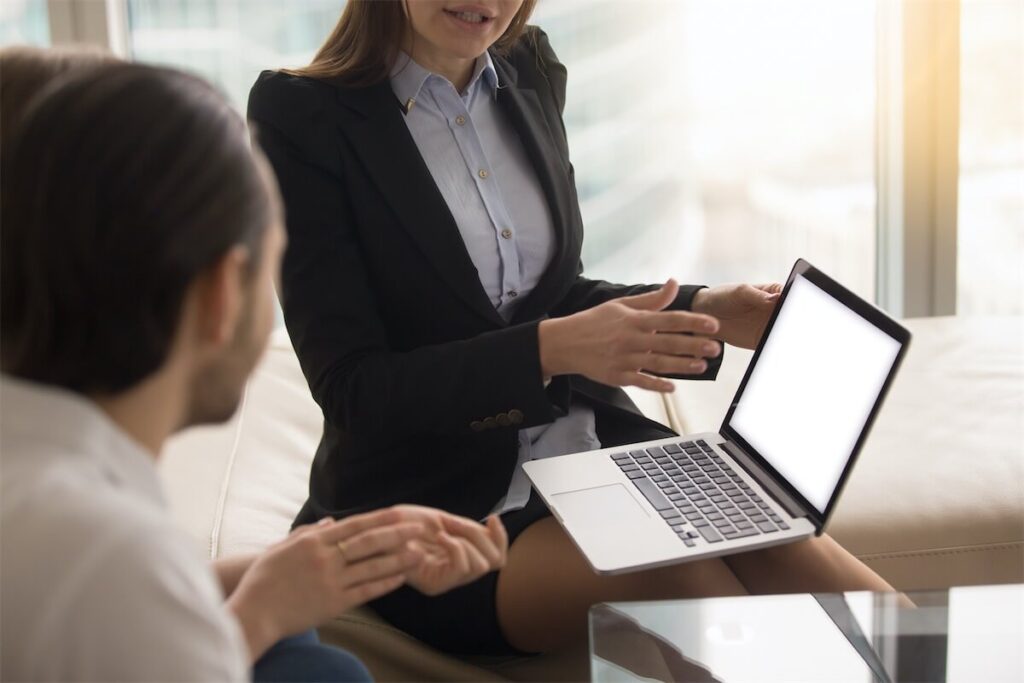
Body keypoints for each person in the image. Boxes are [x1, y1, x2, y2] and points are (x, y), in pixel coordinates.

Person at [247, 0, 896, 657]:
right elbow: (354, 387)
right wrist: (547, 351)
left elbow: (551, 294)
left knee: (824, 571)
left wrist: (710, 309)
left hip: (583, 441)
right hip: (431, 497)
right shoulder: (302, 117)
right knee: (708, 598)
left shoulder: (529, 66)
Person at [0, 55, 507, 681]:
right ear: (220, 297)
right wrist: (262, 614)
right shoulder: (107, 553)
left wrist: (330, 557)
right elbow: (124, 593)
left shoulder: (43, 482)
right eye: (272, 268)